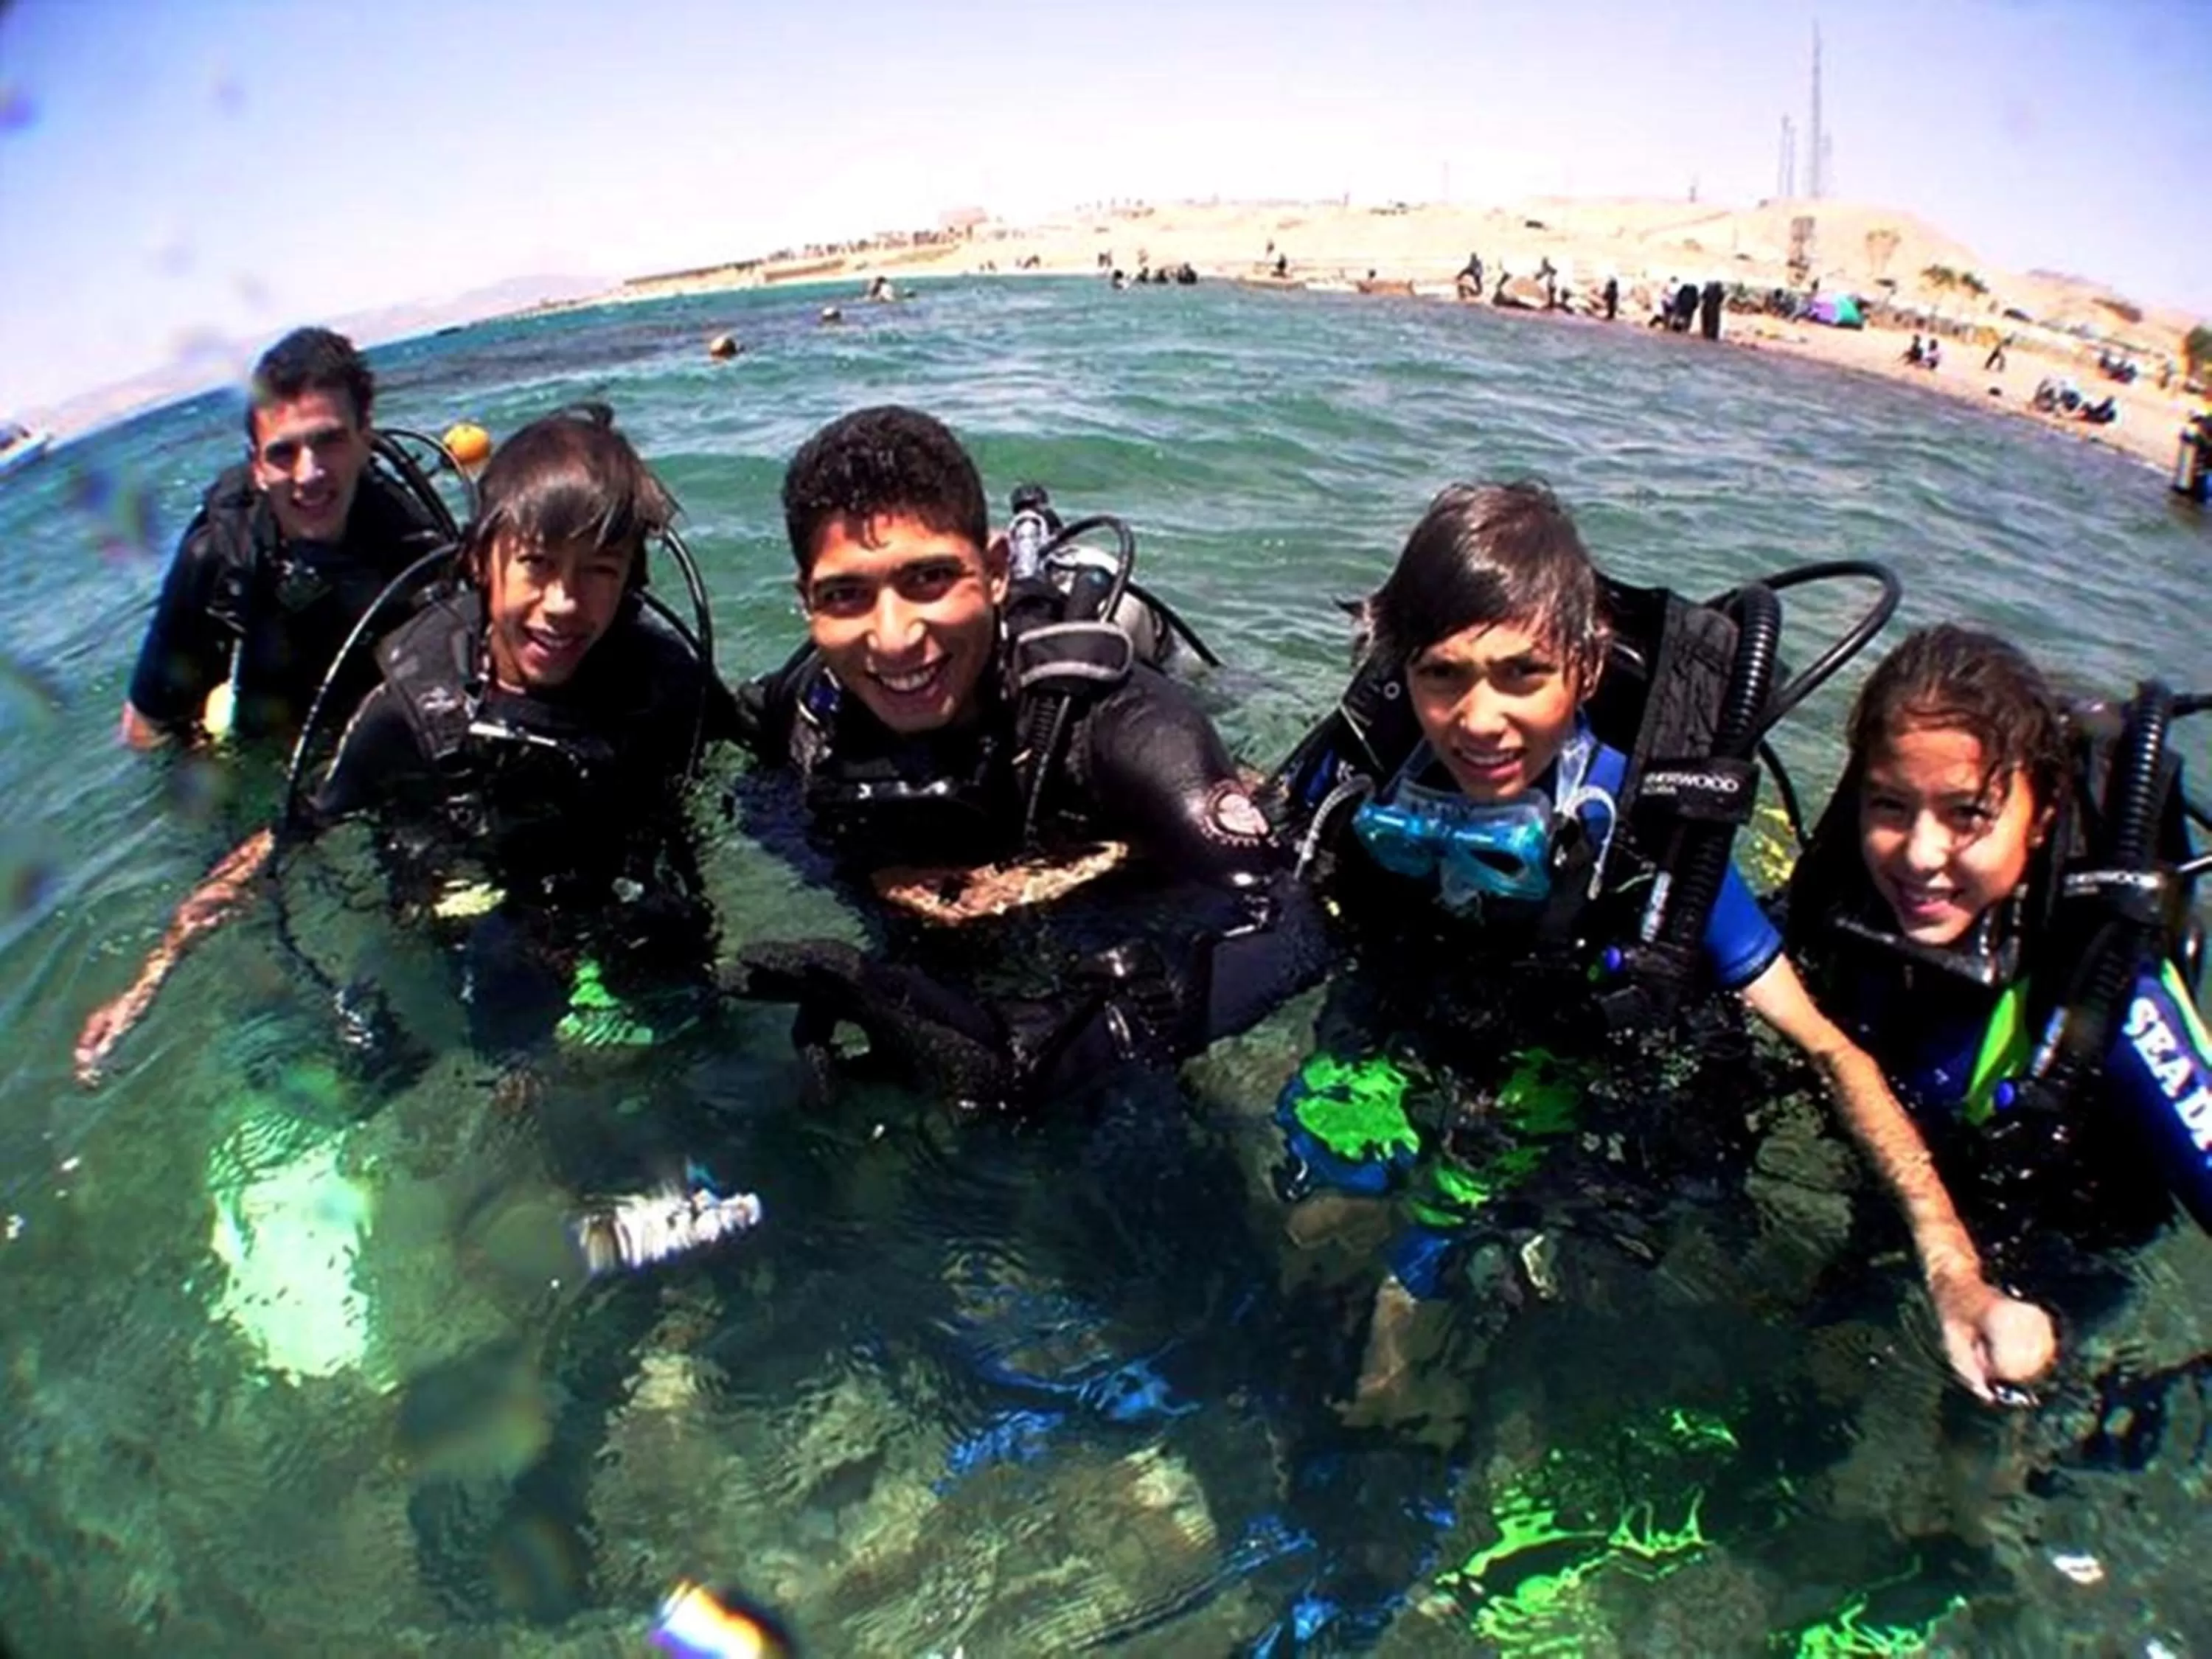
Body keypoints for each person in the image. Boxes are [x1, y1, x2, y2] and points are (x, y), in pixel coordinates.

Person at [1270, 483, 2053, 1401]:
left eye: (1523, 674)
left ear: (1587, 670)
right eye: (1443, 674)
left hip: (1555, 1065)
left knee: (1406, 1306)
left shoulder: (1649, 832)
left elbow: (1830, 1048)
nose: (1479, 722)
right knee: (1312, 1215)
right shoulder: (1371, 766)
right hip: (1406, 1019)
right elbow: (1253, 845)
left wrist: (1954, 1271)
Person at [75, 404, 734, 1084]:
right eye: (536, 564)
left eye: (600, 570)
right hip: (465, 886)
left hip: (610, 880)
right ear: (481, 562)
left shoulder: (667, 679)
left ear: (634, 578)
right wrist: (151, 977)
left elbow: (758, 764)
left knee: (690, 994)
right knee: (467, 1003)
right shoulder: (410, 711)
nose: (564, 602)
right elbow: (289, 833)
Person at [723, 404, 1312, 1109]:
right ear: (806, 601)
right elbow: (761, 804)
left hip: (1122, 898)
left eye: (929, 579)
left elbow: (1301, 913)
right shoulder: (807, 709)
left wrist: (1061, 1044)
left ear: (997, 570)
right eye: (846, 594)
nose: (893, 638)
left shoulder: (1120, 725)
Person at [1785, 625, 2209, 1335]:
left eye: (1969, 815)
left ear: (2040, 819)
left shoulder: (2111, 998)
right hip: (1903, 1202)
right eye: (1890, 805)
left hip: (2058, 1266)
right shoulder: (1842, 916)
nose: (1922, 856)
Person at [119, 326, 452, 749]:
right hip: (265, 732)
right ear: (256, 466)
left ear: (364, 440)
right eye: (282, 452)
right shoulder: (217, 558)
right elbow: (146, 725)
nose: (308, 474)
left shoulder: (412, 540)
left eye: (329, 441)